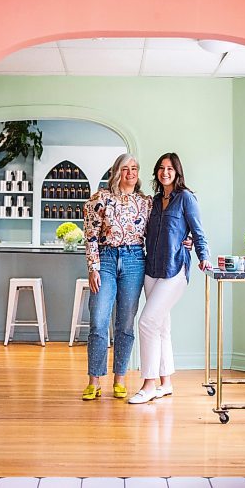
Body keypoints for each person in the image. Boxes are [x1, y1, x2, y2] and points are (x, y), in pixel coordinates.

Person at [129, 152, 212, 404]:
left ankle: (148, 384)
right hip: (151, 269)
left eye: (170, 168)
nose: (165, 172)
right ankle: (166, 383)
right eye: (161, 168)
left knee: (147, 322)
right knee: (161, 327)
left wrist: (203, 256)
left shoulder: (186, 198)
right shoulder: (153, 201)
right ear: (156, 172)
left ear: (177, 172)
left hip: (175, 269)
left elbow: (198, 231)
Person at [82, 153, 152, 400]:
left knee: (125, 324)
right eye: (125, 168)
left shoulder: (145, 202)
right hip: (107, 260)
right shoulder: (101, 199)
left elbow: (163, 229)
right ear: (116, 172)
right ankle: (94, 380)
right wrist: (93, 267)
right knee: (99, 321)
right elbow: (90, 234)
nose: (131, 173)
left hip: (135, 261)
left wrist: (187, 240)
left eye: (134, 168)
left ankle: (119, 378)